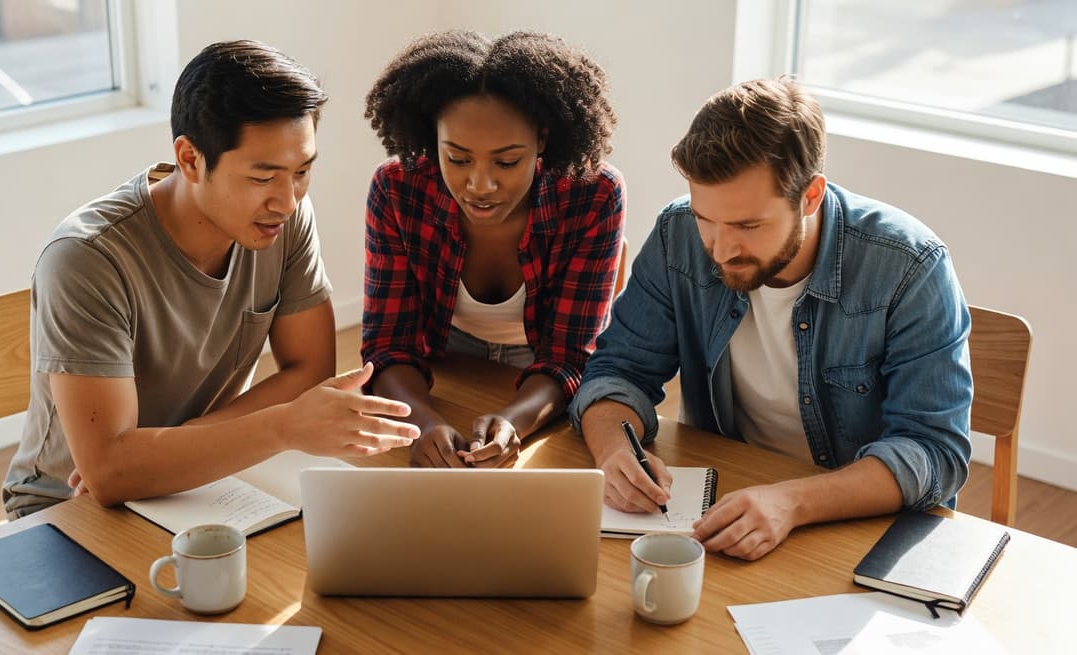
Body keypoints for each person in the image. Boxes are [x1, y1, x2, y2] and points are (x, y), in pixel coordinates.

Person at [3, 40, 420, 517]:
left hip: (213, 479)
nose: (287, 199)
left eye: (302, 171)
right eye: (263, 177)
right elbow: (107, 478)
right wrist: (280, 427)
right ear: (190, 159)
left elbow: (309, 371)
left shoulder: (283, 219)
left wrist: (151, 455)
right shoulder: (87, 259)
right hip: (67, 509)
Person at [569, 78, 973, 560]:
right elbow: (618, 371)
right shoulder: (677, 234)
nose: (720, 249)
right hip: (728, 508)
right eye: (706, 219)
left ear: (811, 196)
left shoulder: (909, 266)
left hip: (857, 528)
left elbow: (933, 451)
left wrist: (792, 501)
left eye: (747, 225)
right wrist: (615, 451)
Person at [361, 30, 625, 469]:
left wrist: (514, 422)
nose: (480, 185)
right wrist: (424, 424)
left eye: (506, 162)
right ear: (432, 138)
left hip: (543, 380)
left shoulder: (592, 194)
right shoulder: (397, 187)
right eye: (458, 159)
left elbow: (570, 356)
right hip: (444, 364)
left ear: (542, 139)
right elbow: (389, 345)